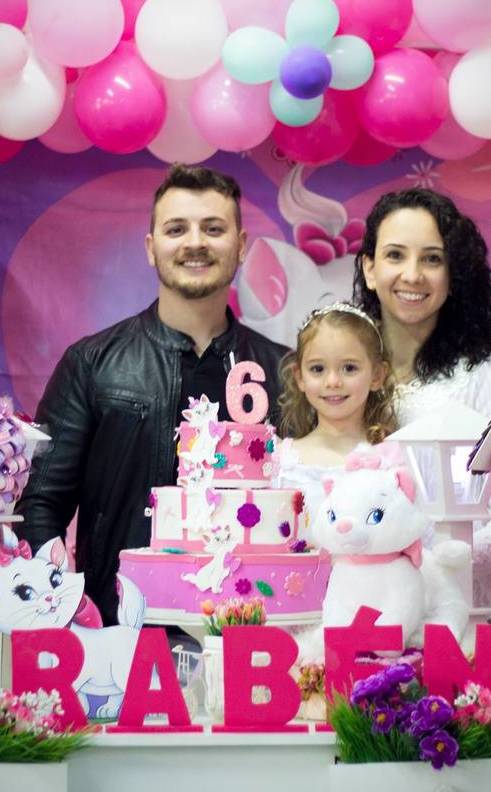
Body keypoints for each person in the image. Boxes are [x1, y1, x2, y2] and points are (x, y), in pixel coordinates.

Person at [15, 164, 288, 624]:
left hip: (250, 630)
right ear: (151, 247)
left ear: (241, 246)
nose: (195, 242)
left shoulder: (282, 371)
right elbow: (41, 507)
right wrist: (66, 612)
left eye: (214, 229)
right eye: (176, 229)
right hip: (118, 629)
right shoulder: (92, 363)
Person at [352, 187, 491, 426]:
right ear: (370, 270)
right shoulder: (338, 371)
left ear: (454, 275)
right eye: (395, 255)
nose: (412, 276)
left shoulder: (485, 377)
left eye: (432, 259)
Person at [272, 302, 398, 512]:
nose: (332, 382)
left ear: (377, 376)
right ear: (299, 376)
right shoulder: (280, 462)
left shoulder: (392, 460)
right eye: (317, 369)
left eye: (349, 368)